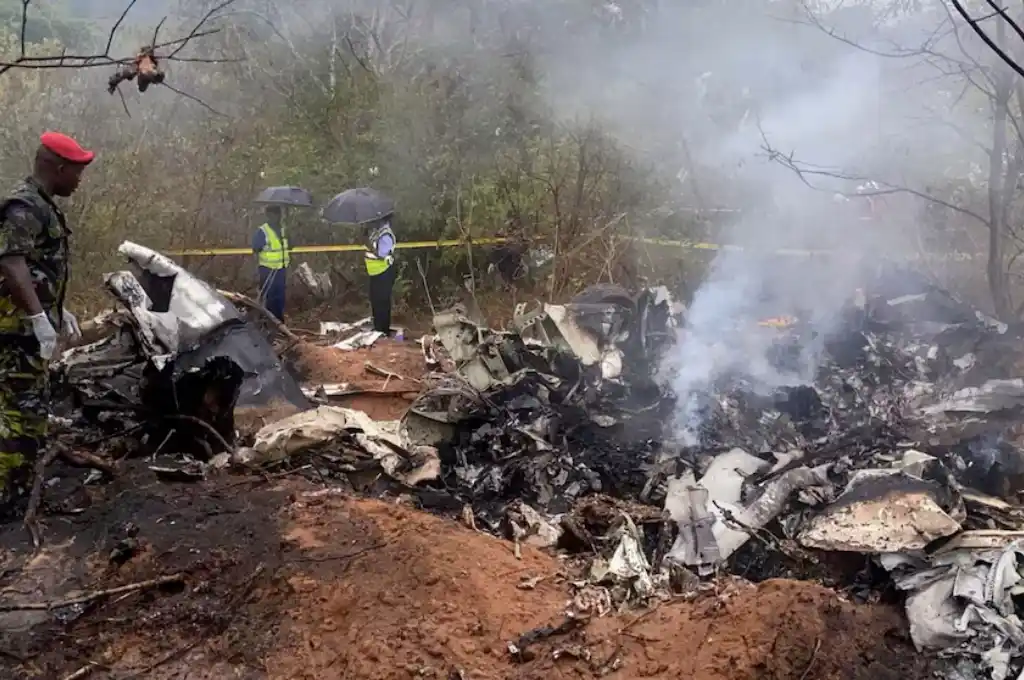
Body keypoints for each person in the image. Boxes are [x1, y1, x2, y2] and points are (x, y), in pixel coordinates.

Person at [0, 131, 92, 502]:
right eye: (77, 171)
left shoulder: (42, 205)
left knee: (30, 415)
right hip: (16, 333)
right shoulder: (24, 206)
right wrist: (39, 317)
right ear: (59, 168)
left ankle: (19, 493)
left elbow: (35, 268)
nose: (79, 180)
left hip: (26, 329)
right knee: (17, 419)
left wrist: (57, 307)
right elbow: (11, 262)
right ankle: (7, 500)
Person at [251, 205, 289, 321]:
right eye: (274, 214)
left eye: (279, 214)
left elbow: (289, 246)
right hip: (267, 269)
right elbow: (256, 248)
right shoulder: (262, 231)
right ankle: (269, 321)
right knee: (269, 297)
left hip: (281, 268)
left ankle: (279, 320)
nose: (277, 217)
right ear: (268, 215)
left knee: (280, 297)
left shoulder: (283, 230)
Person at [363, 214, 397, 334]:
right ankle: (378, 327)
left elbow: (382, 254)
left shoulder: (385, 234)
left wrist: (368, 245)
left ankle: (383, 329)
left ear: (383, 219)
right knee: (376, 300)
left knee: (382, 301)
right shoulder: (378, 232)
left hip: (383, 271)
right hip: (375, 272)